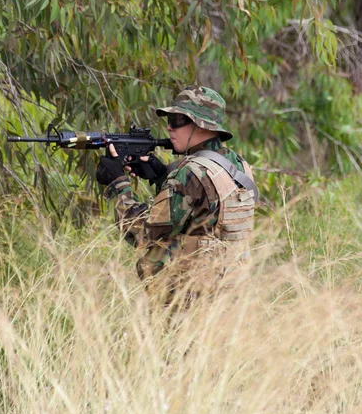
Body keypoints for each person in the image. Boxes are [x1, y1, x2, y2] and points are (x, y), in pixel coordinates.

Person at [96, 85, 258, 298]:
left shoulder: (190, 173)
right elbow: (207, 209)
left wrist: (118, 184)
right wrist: (162, 175)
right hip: (231, 288)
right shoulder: (238, 164)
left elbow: (143, 235)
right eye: (169, 121)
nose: (170, 128)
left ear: (202, 125)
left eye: (178, 121)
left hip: (191, 296)